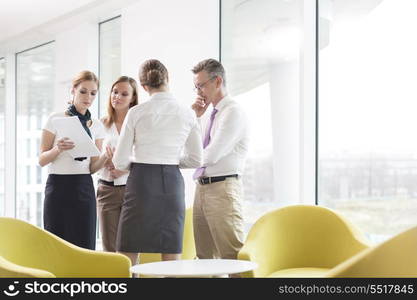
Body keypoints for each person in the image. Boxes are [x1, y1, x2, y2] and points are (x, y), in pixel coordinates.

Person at [112, 59, 203, 265]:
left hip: (140, 182)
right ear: (167, 78)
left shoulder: (136, 112)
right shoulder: (188, 113)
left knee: (128, 249)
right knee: (170, 247)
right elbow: (196, 159)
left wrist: (140, 164)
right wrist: (169, 161)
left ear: (144, 87)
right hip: (171, 182)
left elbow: (119, 161)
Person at [39, 70, 107, 250]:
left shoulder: (97, 125)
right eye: (83, 91)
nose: (88, 97)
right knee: (56, 243)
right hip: (58, 186)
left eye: (93, 93)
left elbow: (93, 167)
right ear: (73, 90)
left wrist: (106, 157)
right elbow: (42, 160)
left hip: (83, 186)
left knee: (84, 244)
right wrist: (58, 148)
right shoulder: (55, 118)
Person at [191, 58, 249, 262]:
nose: (198, 92)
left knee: (231, 256)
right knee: (204, 257)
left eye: (201, 86)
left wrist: (175, 161)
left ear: (217, 81)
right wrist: (196, 117)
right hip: (202, 188)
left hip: (223, 189)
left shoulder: (233, 112)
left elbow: (210, 155)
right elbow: (195, 146)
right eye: (195, 87)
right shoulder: (210, 114)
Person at [97, 76, 139, 252]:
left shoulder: (139, 124)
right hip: (107, 190)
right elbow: (93, 158)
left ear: (133, 98)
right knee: (110, 247)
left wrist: (124, 169)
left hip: (133, 189)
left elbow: (146, 156)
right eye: (115, 92)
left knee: (132, 245)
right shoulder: (100, 124)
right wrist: (104, 160)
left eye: (124, 94)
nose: (117, 97)